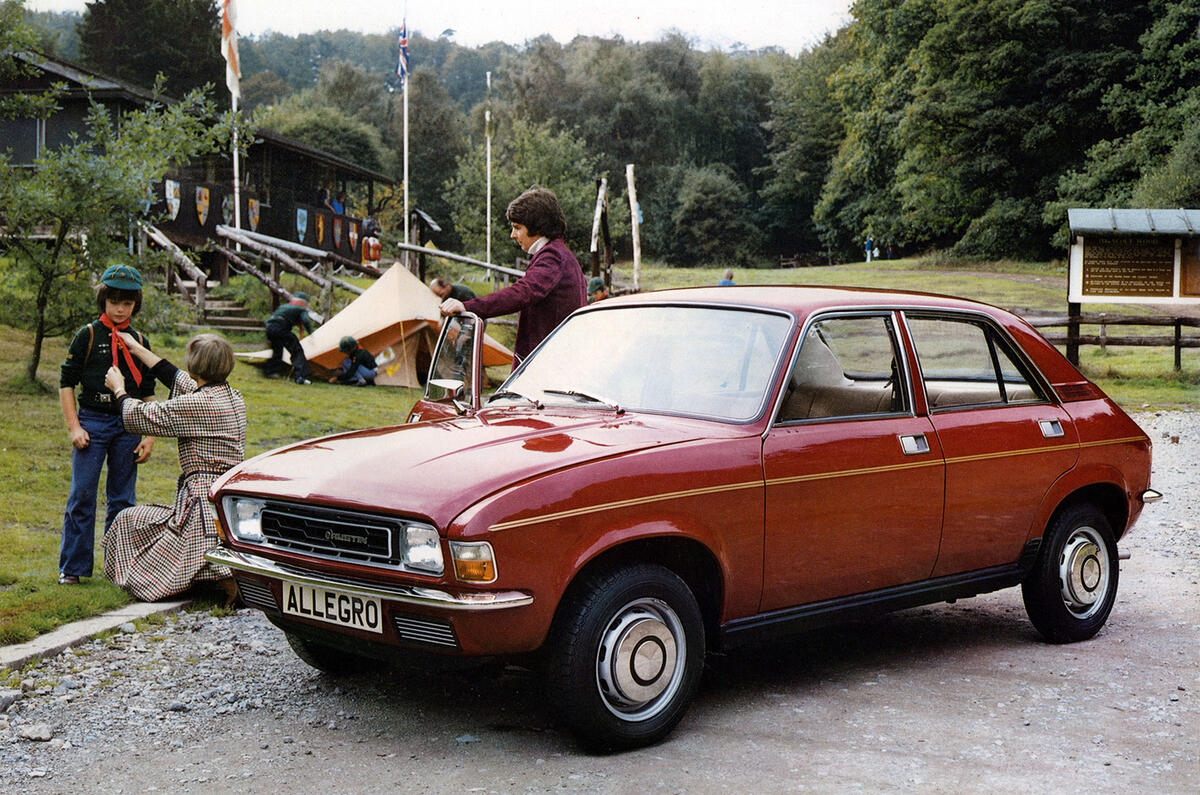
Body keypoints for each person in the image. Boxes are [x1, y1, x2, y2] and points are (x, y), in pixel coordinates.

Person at [102, 333, 245, 603]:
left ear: (195, 366)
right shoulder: (233, 397)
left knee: (127, 521)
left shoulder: (198, 405)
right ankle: (214, 579)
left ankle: (220, 581)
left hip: (201, 506)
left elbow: (140, 416)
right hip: (225, 498)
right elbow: (178, 378)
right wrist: (138, 349)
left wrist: (119, 389)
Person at [57, 264, 157, 586]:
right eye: (113, 301)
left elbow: (149, 393)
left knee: (123, 499)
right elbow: (66, 384)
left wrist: (150, 436)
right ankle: (73, 567)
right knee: (82, 494)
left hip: (128, 427)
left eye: (126, 303)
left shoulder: (140, 341)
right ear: (103, 300)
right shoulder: (86, 336)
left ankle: (117, 566)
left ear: (135, 305)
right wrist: (75, 427)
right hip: (92, 424)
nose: (119, 309)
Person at [440, 186, 586, 364]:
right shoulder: (560, 254)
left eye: (517, 228)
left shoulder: (552, 257)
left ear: (537, 226)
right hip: (554, 361)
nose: (512, 235)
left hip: (548, 365)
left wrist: (468, 307)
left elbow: (523, 292)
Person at [264, 291, 316, 384]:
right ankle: (300, 376)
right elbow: (305, 321)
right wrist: (310, 333)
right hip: (281, 328)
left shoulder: (283, 306)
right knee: (296, 350)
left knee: (277, 349)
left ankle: (270, 371)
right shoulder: (300, 309)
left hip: (269, 328)